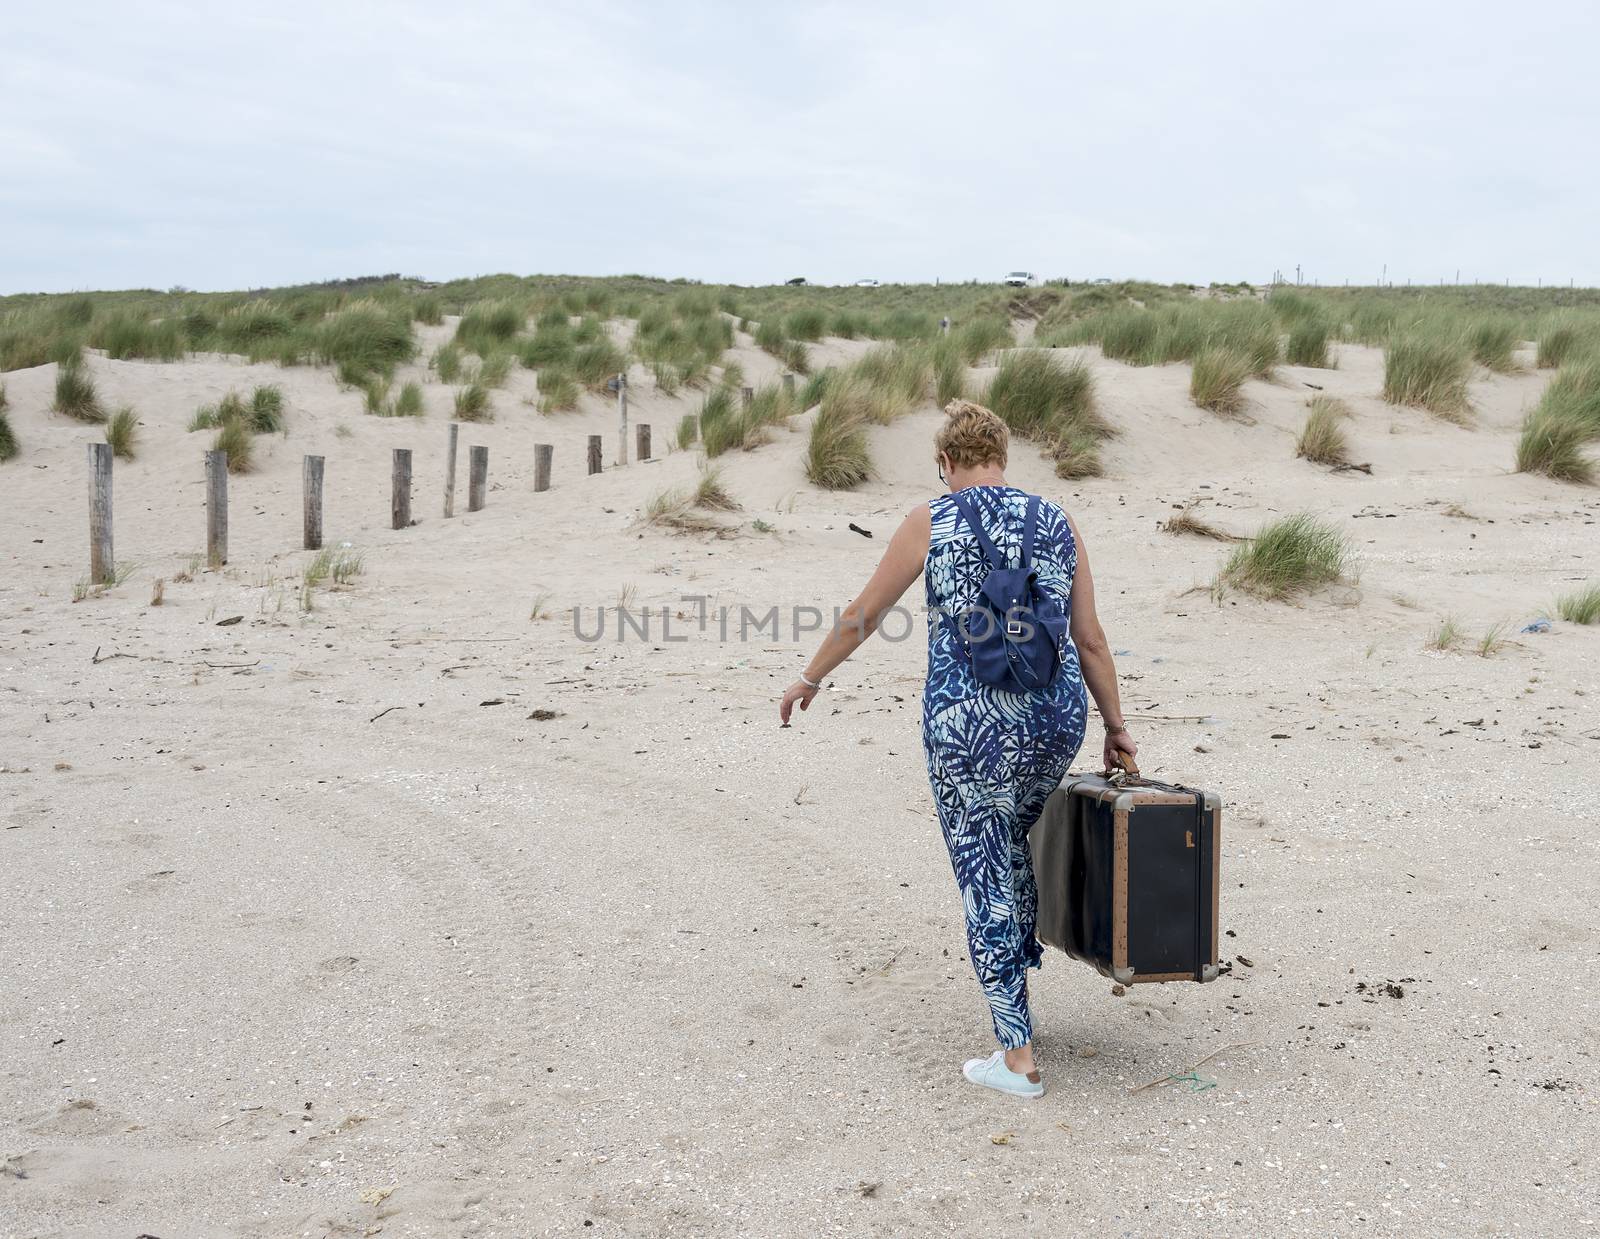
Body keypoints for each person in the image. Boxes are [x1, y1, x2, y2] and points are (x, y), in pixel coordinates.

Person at [779, 400, 1136, 1100]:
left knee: (982, 864)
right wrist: (1116, 724)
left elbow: (864, 615)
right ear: (1002, 458)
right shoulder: (1058, 520)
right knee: (1008, 843)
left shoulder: (931, 519)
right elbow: (1091, 639)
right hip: (1053, 720)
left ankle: (1018, 1057)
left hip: (968, 724)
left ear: (945, 463)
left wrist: (809, 674)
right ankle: (1017, 994)